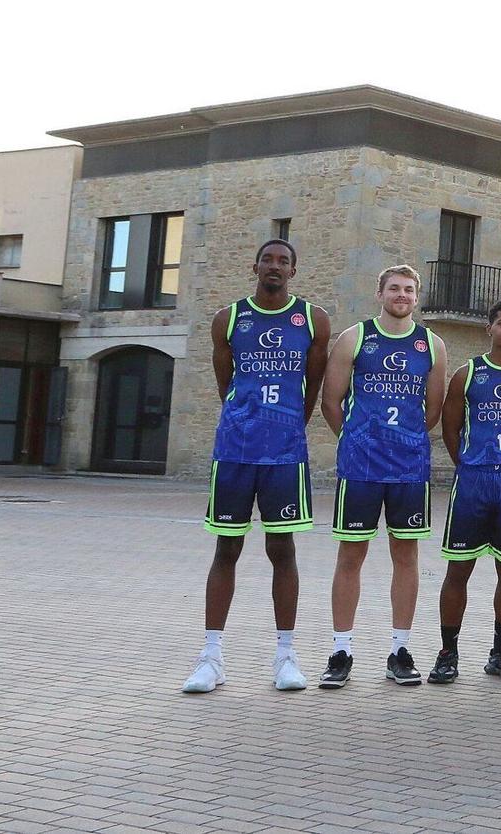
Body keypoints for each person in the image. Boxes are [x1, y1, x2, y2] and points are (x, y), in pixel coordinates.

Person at [183, 239, 331, 695]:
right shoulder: (228, 319)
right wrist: (246, 417)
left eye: (283, 261)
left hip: (284, 453)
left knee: (282, 550)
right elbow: (225, 383)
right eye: (268, 259)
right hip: (236, 450)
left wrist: (287, 424)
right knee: (226, 549)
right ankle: (211, 658)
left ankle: (286, 656)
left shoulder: (313, 319)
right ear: (255, 267)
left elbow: (312, 384)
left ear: (293, 271)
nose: (274, 266)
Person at [319, 264, 448, 688]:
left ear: (417, 297)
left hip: (408, 469)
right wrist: (356, 440)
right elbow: (331, 401)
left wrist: (402, 442)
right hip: (361, 467)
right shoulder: (354, 338)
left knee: (406, 557)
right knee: (350, 556)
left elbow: (432, 410)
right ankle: (341, 650)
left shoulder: (432, 344)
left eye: (409, 289)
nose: (402, 295)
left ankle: (400, 650)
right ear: (380, 293)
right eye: (394, 288)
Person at [432, 299, 501, 683]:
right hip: (473, 481)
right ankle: (447, 653)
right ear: (489, 328)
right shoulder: (468, 374)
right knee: (458, 570)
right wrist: (466, 462)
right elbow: (450, 426)